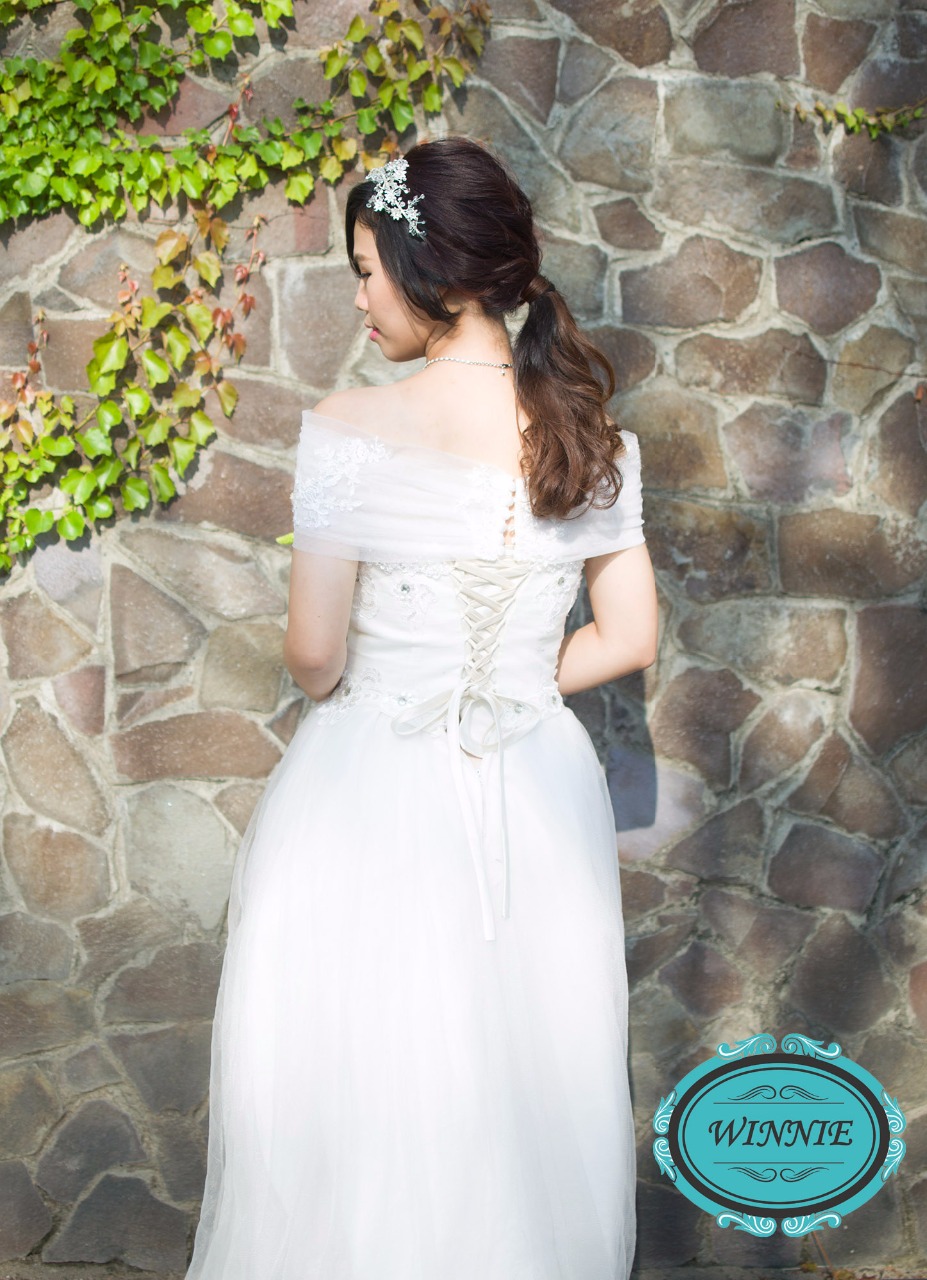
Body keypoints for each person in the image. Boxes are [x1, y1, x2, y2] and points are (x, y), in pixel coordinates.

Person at [184, 136, 658, 1280]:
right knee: (523, 1069)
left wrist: (397, 676)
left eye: (366, 271)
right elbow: (629, 635)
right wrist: (506, 682)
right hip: (535, 783)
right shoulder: (593, 439)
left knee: (359, 1070)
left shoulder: (351, 425)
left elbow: (313, 653)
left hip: (370, 782)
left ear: (428, 271)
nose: (359, 299)